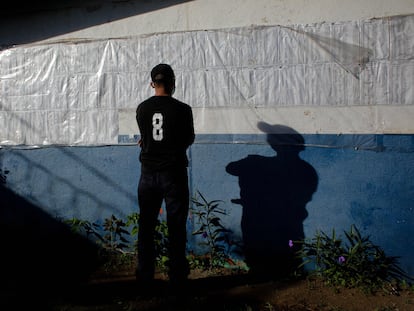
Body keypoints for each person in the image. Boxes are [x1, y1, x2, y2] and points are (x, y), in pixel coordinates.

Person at [135, 64, 195, 289]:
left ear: (152, 83)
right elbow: (188, 139)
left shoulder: (142, 108)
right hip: (174, 174)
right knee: (176, 226)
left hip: (148, 175)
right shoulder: (183, 109)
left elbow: (145, 138)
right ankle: (177, 278)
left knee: (146, 226)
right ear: (172, 82)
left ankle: (144, 278)